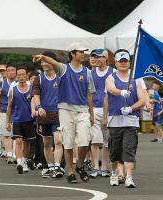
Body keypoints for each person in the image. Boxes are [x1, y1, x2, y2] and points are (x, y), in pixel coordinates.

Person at [33, 42, 95, 184]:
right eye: (80, 52)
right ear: (73, 54)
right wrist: (42, 56)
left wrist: (91, 113)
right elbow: (54, 62)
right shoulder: (63, 69)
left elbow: (89, 94)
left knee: (85, 140)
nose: (83, 54)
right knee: (67, 142)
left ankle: (79, 166)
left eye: (84, 52)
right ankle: (70, 172)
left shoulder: (87, 72)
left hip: (82, 110)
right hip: (66, 110)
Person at [103, 49, 146, 188]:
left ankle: (129, 177)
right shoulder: (111, 78)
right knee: (115, 151)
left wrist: (131, 108)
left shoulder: (135, 79)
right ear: (115, 62)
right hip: (114, 120)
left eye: (125, 61)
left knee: (128, 149)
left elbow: (143, 100)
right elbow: (111, 89)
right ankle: (114, 173)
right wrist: (120, 92)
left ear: (129, 62)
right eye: (120, 61)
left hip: (131, 120)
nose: (123, 63)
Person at [32, 51, 64, 178]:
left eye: (46, 61)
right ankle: (50, 167)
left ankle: (57, 167)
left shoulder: (61, 76)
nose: (44, 63)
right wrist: (39, 107)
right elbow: (36, 95)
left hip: (58, 113)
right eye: (42, 61)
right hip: (44, 115)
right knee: (46, 143)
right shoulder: (38, 78)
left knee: (58, 141)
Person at [89, 49, 114, 178]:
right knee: (95, 140)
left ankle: (104, 167)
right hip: (94, 109)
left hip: (109, 110)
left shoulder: (113, 73)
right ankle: (95, 167)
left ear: (105, 58)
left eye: (99, 57)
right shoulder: (90, 73)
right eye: (94, 57)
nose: (96, 59)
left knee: (107, 141)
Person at [6, 65, 35, 174]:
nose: (21, 76)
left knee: (26, 143)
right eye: (19, 75)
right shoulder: (13, 89)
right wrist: (8, 122)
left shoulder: (32, 88)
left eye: (23, 74)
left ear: (27, 75)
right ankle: (19, 162)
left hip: (29, 120)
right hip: (17, 119)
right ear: (17, 76)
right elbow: (9, 107)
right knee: (18, 141)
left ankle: (24, 160)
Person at [0, 63, 17, 163]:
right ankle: (9, 153)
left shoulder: (19, 82)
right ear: (6, 72)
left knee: (16, 135)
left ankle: (15, 154)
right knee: (6, 134)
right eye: (9, 70)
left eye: (13, 70)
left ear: (16, 72)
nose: (11, 72)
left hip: (16, 112)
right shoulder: (1, 84)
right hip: (4, 112)